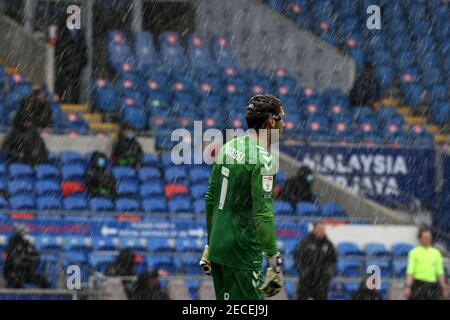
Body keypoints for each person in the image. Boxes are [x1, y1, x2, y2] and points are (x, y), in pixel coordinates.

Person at [199, 94, 285, 300]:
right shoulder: (264, 160)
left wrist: (210, 243)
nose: (284, 126)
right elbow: (263, 215)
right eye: (282, 119)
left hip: (219, 249)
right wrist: (274, 263)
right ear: (271, 121)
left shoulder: (229, 147)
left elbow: (210, 198)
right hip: (242, 252)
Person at [294, 221, 337, 300]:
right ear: (314, 230)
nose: (322, 231)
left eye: (323, 229)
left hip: (321, 281)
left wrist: (328, 273)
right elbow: (297, 258)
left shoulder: (328, 245)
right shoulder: (305, 243)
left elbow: (333, 261)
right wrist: (303, 271)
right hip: (306, 280)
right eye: (320, 229)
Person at [2, 95, 49, 165]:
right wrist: (18, 155)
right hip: (19, 163)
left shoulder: (34, 133)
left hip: (33, 164)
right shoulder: (14, 133)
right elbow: (5, 149)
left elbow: (42, 151)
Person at [404, 227, 449, 300]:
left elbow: (440, 272)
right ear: (420, 239)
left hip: (432, 286)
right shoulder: (414, 252)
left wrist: (444, 288)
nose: (427, 239)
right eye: (425, 237)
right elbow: (410, 272)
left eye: (429, 237)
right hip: (418, 284)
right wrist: (408, 287)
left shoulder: (436, 253)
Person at [3, 224, 50, 289]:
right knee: (13, 279)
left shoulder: (27, 244)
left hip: (27, 271)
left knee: (42, 281)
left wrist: (28, 262)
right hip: (13, 272)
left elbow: (36, 257)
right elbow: (8, 260)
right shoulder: (12, 243)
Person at [55, 23, 87, 103]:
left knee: (75, 84)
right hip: (67, 63)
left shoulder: (79, 32)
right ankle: (65, 100)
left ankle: (73, 101)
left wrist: (81, 62)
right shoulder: (63, 30)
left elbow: (83, 49)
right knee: (65, 83)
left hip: (74, 64)